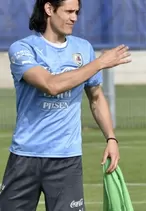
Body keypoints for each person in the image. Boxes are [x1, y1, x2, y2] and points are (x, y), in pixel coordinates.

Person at [0, 0, 132, 210]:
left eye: (77, 12)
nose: (74, 18)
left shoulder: (83, 49)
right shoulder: (23, 49)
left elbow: (96, 97)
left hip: (66, 160)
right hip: (25, 156)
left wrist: (111, 138)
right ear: (49, 9)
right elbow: (50, 85)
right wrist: (100, 63)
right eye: (69, 11)